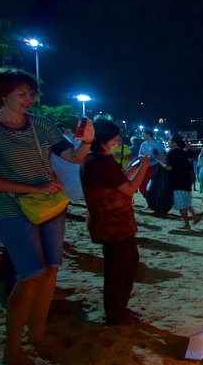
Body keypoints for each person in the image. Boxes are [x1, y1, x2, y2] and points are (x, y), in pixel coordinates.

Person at [0, 67, 94, 365]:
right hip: (11, 207)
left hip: (49, 204)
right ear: (2, 94)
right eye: (21, 94)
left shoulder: (40, 124)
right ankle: (12, 348)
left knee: (51, 269)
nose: (28, 99)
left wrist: (87, 142)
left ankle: (36, 335)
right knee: (31, 273)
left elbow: (73, 157)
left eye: (31, 94)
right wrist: (31, 187)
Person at [81, 117, 151, 326]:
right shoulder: (99, 162)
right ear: (104, 139)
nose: (117, 141)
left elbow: (118, 180)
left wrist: (134, 166)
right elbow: (129, 188)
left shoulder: (94, 159)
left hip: (110, 223)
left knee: (123, 265)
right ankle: (116, 314)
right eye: (114, 137)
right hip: (113, 224)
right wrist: (144, 167)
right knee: (119, 270)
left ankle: (118, 310)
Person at [158, 135, 196, 229]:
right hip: (186, 180)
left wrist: (160, 163)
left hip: (177, 181)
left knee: (181, 204)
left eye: (170, 141)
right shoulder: (184, 153)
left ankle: (187, 224)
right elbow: (189, 167)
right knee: (185, 201)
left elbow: (169, 167)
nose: (169, 142)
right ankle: (195, 217)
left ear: (175, 142)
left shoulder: (172, 152)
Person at [50, 123, 84, 202]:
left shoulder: (49, 145)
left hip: (67, 190)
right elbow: (79, 153)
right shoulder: (64, 140)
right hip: (78, 186)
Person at [136, 130, 166, 202]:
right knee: (142, 186)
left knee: (155, 186)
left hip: (156, 166)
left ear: (148, 134)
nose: (142, 136)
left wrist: (151, 158)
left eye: (143, 134)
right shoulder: (143, 144)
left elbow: (161, 156)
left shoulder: (158, 144)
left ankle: (155, 203)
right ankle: (150, 201)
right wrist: (143, 157)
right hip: (146, 166)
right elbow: (139, 155)